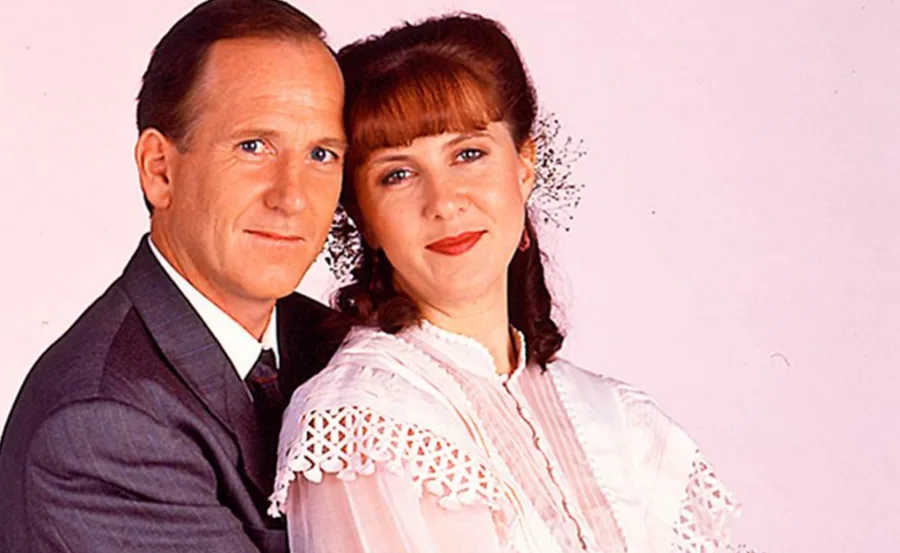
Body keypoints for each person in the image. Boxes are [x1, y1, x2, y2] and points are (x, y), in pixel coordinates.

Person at [271, 13, 749, 553]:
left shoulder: (621, 420)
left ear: (524, 165)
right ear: (365, 219)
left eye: (468, 155)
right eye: (397, 174)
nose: (444, 201)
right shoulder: (363, 423)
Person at [0, 1, 349, 551]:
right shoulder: (100, 431)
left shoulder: (340, 345)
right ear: (159, 169)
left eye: (322, 153)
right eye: (252, 146)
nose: (293, 197)